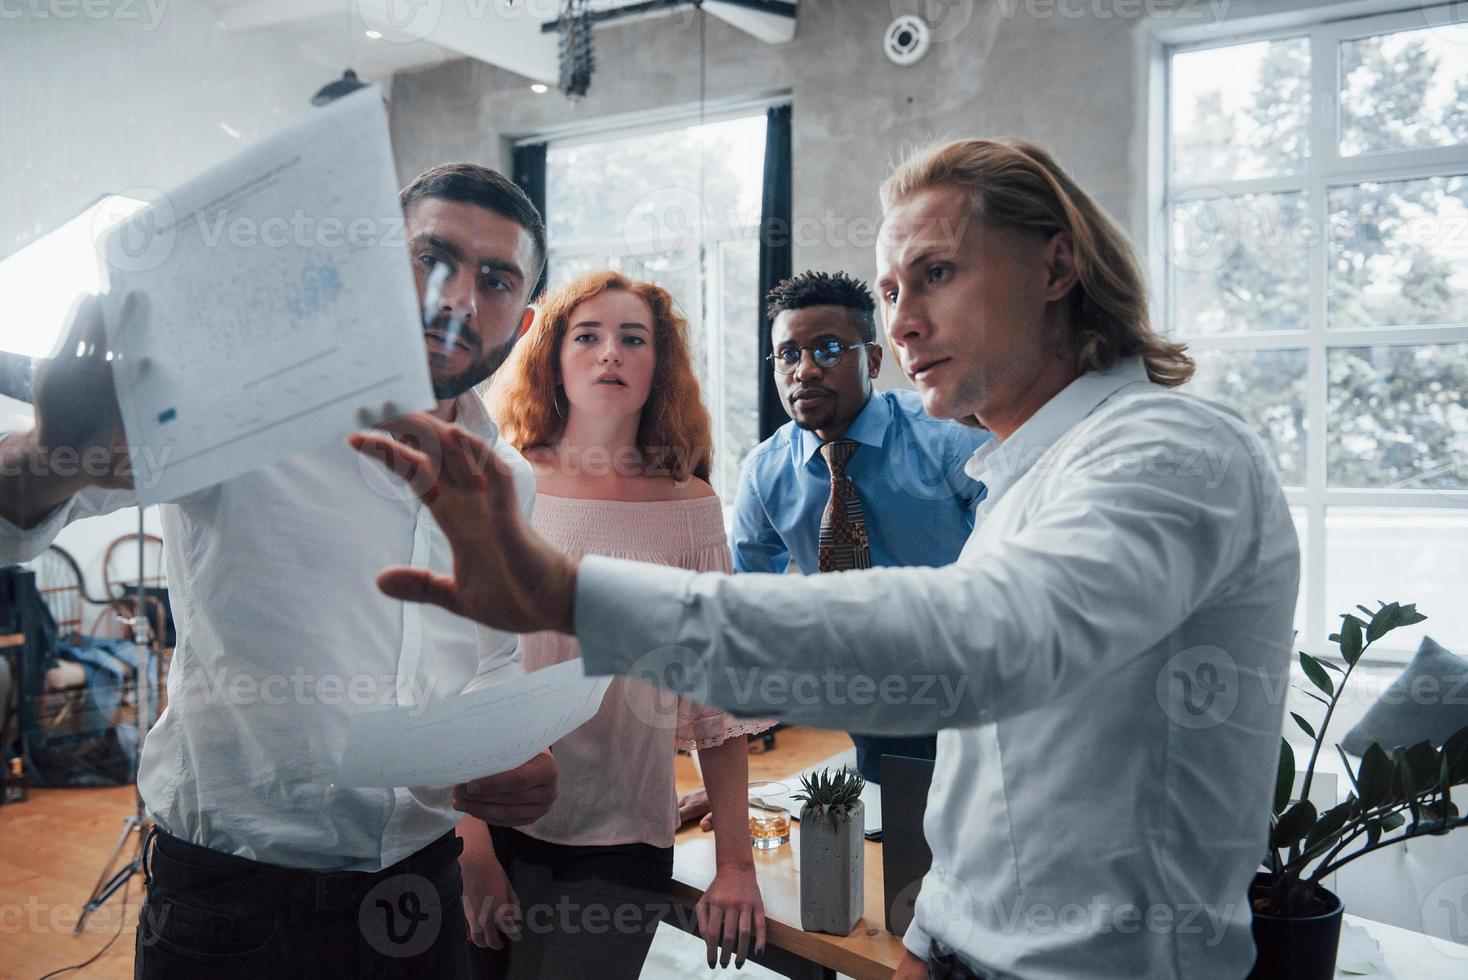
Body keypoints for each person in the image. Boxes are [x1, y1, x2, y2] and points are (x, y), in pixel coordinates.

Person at [352, 138, 1299, 980]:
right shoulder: (1017, 476)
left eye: (936, 274)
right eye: (891, 293)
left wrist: (575, 592)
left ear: (1056, 265)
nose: (902, 325)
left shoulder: (1169, 450)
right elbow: (1000, 777)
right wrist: (932, 936)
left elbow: (975, 654)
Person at [0, 163, 559, 979]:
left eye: (496, 279)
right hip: (236, 902)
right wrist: (50, 452)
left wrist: (509, 764)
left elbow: (489, 662)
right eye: (429, 256)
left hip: (419, 888)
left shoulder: (510, 480)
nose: (456, 299)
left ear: (525, 318)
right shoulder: (240, 408)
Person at [467, 269, 770, 977]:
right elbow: (455, 681)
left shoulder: (690, 507)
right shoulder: (500, 485)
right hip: (496, 828)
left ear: (658, 367)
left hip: (626, 839)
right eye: (589, 335)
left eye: (633, 339)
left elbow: (715, 704)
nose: (610, 353)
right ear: (552, 355)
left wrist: (734, 864)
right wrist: (470, 849)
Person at [733, 270, 987, 786]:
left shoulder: (945, 436)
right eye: (788, 355)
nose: (805, 371)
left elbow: (1016, 539)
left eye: (827, 350)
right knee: (899, 832)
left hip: (973, 675)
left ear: (872, 360)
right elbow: (743, 604)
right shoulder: (766, 473)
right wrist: (731, 782)